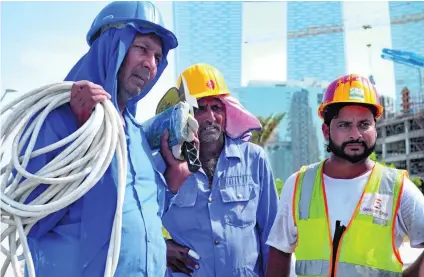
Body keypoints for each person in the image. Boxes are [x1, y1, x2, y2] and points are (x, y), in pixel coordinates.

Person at [19, 2, 186, 277]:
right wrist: (80, 141)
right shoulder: (56, 121)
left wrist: (170, 182)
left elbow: (137, 215)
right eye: (142, 48)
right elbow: (30, 220)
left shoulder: (135, 133)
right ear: (111, 46)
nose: (150, 64)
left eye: (157, 56)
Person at [265, 74, 424, 277]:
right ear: (325, 131)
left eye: (364, 124)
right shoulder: (298, 185)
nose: (355, 134)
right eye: (344, 125)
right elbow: (280, 250)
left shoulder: (398, 188)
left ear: (375, 129)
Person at [154, 63, 280, 277]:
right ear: (183, 114)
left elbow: (272, 234)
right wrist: (160, 248)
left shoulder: (254, 158)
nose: (210, 117)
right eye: (200, 108)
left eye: (216, 108)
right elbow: (137, 224)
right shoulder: (163, 163)